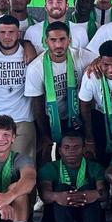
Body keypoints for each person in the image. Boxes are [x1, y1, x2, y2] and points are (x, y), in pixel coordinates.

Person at [25, 21, 93, 163]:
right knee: (49, 158)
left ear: (70, 40)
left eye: (62, 39)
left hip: (77, 116)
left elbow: (102, 59)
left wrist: (96, 64)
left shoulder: (80, 55)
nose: (58, 45)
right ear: (46, 41)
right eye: (53, 40)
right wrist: (44, 136)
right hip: (50, 119)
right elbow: (37, 106)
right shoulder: (36, 67)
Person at [39, 132, 108, 222]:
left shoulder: (94, 167)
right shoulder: (49, 168)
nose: (71, 151)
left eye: (76, 147)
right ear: (59, 150)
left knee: (89, 191)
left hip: (89, 220)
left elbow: (104, 193)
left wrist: (92, 194)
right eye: (67, 147)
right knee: (62, 189)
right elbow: (45, 195)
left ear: (83, 149)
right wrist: (59, 196)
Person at [0, 15, 37, 160]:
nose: (7, 36)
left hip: (23, 119)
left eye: (11, 32)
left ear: (19, 34)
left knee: (22, 166)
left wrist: (27, 44)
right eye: (3, 32)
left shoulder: (30, 55)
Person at [22, 0, 92, 54]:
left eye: (59, 2)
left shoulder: (80, 31)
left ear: (67, 6)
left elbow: (85, 59)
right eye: (50, 2)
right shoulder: (32, 31)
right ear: (45, 7)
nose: (55, 6)